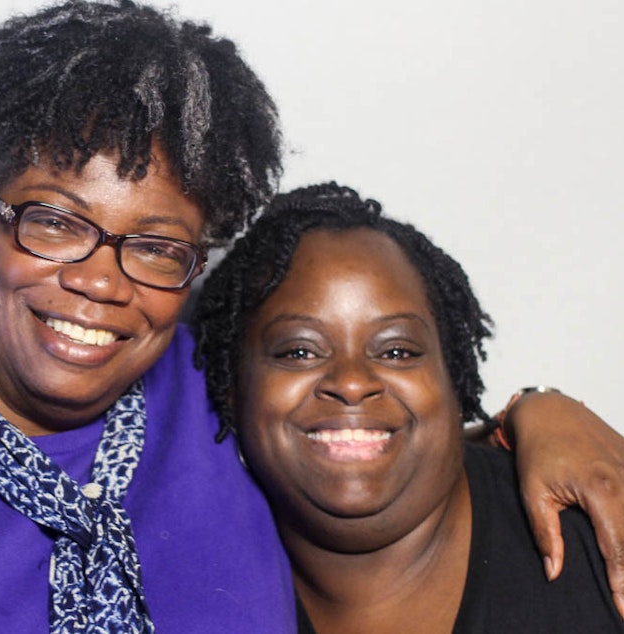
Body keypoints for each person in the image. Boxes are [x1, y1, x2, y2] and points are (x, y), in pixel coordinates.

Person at [0, 2, 623, 631]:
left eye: (154, 246)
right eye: (57, 222)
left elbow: (368, 426)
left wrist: (535, 414)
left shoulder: (210, 391)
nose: (101, 283)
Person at [192, 181, 624, 632]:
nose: (353, 382)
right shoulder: (176, 576)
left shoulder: (601, 536)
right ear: (233, 388)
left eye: (397, 351)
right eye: (299, 351)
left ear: (452, 377)